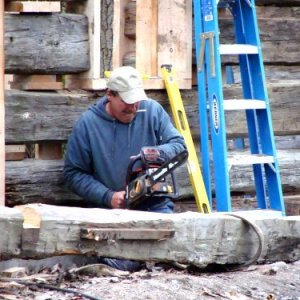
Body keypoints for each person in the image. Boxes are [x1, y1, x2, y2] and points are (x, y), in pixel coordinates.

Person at [63, 66, 186, 271]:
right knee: (115, 260)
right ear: (110, 94)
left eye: (136, 101)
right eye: (127, 102)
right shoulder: (88, 124)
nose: (133, 108)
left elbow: (179, 146)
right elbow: (73, 173)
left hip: (153, 205)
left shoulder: (152, 111)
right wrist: (108, 196)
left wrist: (154, 153)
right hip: (110, 212)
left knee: (170, 250)